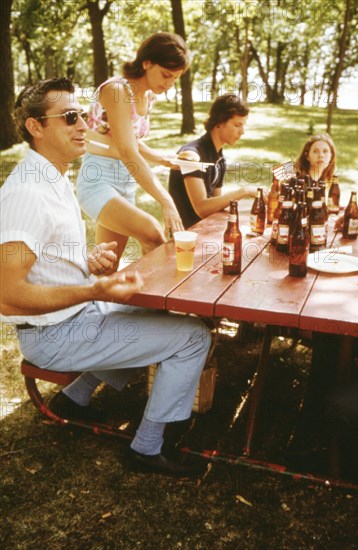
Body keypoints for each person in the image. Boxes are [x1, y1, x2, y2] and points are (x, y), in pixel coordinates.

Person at [0, 78, 211, 477]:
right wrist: (95, 287)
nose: (84, 124)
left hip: (77, 318)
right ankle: (147, 448)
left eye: (81, 114)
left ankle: (74, 398)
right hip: (54, 336)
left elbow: (44, 254)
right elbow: (7, 296)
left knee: (150, 312)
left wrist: (83, 258)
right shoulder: (28, 191)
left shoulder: (52, 177)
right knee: (193, 335)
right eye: (68, 117)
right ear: (35, 127)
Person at [76, 32, 189, 270]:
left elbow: (130, 140)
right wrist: (165, 199)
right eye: (166, 75)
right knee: (153, 234)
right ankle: (160, 304)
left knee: (107, 267)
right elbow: (128, 152)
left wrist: (162, 158)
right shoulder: (117, 91)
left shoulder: (148, 97)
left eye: (175, 79)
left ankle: (97, 303)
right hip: (98, 181)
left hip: (126, 183)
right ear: (147, 62)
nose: (169, 83)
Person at [168, 93, 262, 229]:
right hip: (187, 236)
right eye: (237, 125)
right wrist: (244, 191)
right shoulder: (191, 155)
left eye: (243, 125)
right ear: (219, 123)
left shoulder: (219, 159)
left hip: (208, 227)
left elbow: (217, 204)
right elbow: (201, 208)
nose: (242, 132)